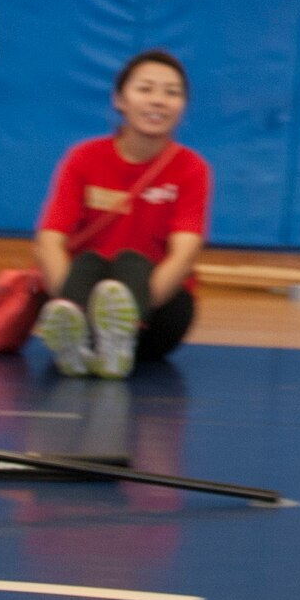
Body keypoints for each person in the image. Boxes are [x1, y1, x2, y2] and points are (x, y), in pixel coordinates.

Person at [35, 50, 209, 379]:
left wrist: (127, 315)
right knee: (89, 262)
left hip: (154, 311)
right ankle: (76, 339)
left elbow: (185, 253)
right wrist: (75, 309)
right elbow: (48, 241)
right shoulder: (83, 157)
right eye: (145, 89)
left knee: (131, 262)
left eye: (171, 92)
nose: (158, 100)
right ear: (120, 100)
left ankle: (114, 343)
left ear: (183, 107)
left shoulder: (193, 168)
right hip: (82, 292)